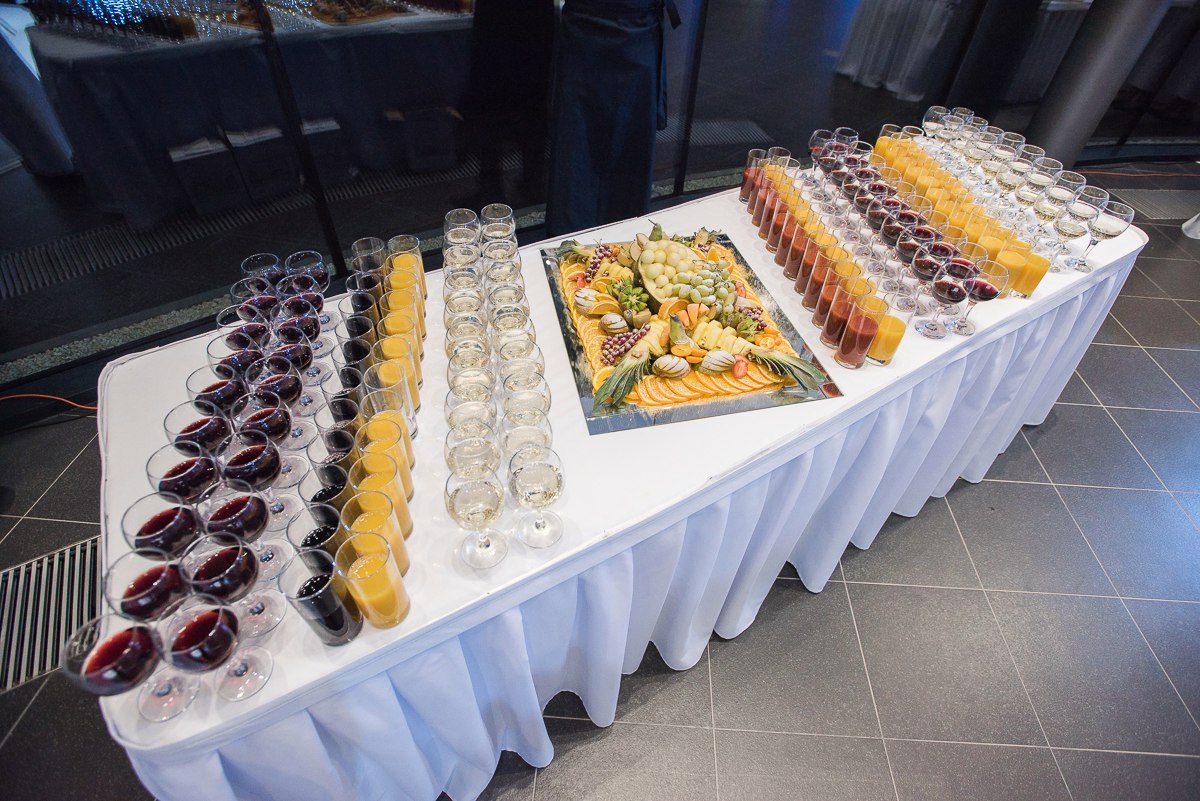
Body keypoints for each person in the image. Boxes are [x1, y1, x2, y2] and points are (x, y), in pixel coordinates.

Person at [545, 0, 680, 236]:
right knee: (576, 146)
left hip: (634, 27)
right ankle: (570, 244)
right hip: (590, 29)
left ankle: (622, 243)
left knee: (624, 148)